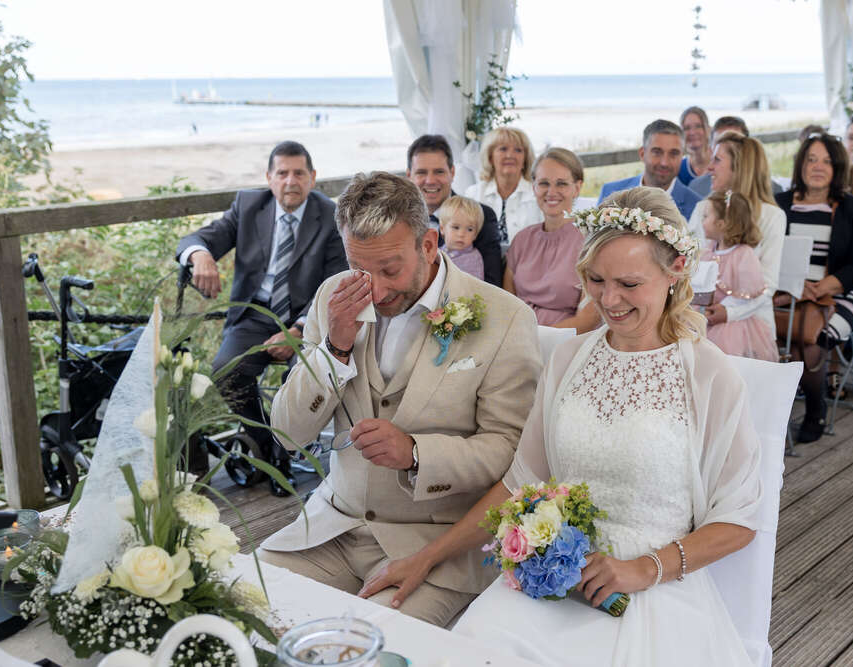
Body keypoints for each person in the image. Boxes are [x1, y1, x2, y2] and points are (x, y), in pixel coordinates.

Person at [359, 186, 762, 667]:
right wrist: (426, 558)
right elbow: (519, 483)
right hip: (547, 583)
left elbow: (738, 520)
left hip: (651, 590)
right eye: (595, 279)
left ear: (675, 270)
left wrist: (644, 569)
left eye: (629, 284)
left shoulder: (709, 375)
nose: (609, 300)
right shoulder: (569, 358)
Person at [257, 171, 542, 627]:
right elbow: (289, 435)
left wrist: (415, 454)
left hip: (430, 548)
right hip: (333, 527)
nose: (377, 288)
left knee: (376, 649)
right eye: (360, 268)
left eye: (390, 269)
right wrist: (335, 348)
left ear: (429, 244)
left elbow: (510, 451)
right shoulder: (334, 297)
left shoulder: (505, 318)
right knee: (238, 607)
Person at [175, 141, 347, 490]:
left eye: (299, 173)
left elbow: (333, 283)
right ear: (269, 178)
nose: (290, 181)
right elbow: (195, 239)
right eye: (282, 173)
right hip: (254, 317)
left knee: (301, 379)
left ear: (313, 178)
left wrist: (299, 329)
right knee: (225, 370)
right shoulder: (249, 205)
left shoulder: (330, 216)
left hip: (307, 320)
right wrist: (201, 256)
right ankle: (269, 448)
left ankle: (289, 445)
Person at [775, 133, 853, 441]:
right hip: (786, 292)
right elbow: (767, 255)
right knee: (790, 330)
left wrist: (822, 286)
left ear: (837, 167)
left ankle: (815, 409)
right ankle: (775, 406)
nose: (818, 167)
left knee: (810, 339)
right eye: (811, 159)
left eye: (827, 161)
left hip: (839, 296)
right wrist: (794, 284)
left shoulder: (852, 208)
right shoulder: (780, 205)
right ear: (801, 164)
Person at [690, 132, 786, 343]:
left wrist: (728, 311)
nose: (709, 168)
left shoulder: (772, 217)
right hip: (700, 318)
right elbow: (691, 265)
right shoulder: (702, 210)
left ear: (739, 167)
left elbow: (767, 283)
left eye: (717, 160)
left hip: (750, 323)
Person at [506, 148, 601, 333]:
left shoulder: (592, 244)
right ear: (534, 187)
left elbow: (588, 320)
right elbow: (507, 304)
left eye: (561, 184)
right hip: (516, 339)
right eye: (543, 183)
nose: (551, 192)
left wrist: (537, 339)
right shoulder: (522, 240)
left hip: (567, 344)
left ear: (577, 187)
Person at [406, 135, 503, 286]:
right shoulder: (400, 219)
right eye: (421, 172)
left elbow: (493, 284)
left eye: (439, 172)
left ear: (452, 172)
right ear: (409, 176)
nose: (430, 180)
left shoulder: (481, 214)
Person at [700, 190, 778, 362]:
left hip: (732, 323)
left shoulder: (743, 255)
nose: (702, 221)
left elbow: (748, 293)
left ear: (721, 224)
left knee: (723, 357)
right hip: (707, 317)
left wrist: (725, 309)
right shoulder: (708, 251)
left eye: (706, 216)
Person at [598, 119, 702, 221]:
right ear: (642, 154)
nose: (664, 163)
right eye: (657, 152)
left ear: (681, 156)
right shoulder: (609, 193)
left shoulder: (697, 206)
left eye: (673, 153)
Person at [464, 126, 540, 244]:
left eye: (518, 150)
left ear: (525, 159)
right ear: (490, 157)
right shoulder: (473, 194)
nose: (510, 155)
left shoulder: (539, 194)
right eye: (503, 149)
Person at [687, 116, 749, 198]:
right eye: (719, 143)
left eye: (734, 143)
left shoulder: (767, 188)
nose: (725, 149)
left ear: (748, 149)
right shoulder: (695, 189)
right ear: (711, 149)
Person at [438, 195, 484, 280]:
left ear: (475, 234)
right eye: (456, 227)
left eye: (469, 229)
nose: (461, 234)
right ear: (442, 228)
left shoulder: (473, 259)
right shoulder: (437, 253)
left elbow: (474, 288)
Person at [678, 106, 711, 186]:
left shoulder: (721, 164)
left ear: (707, 129)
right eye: (687, 128)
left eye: (698, 126)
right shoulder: (678, 169)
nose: (692, 132)